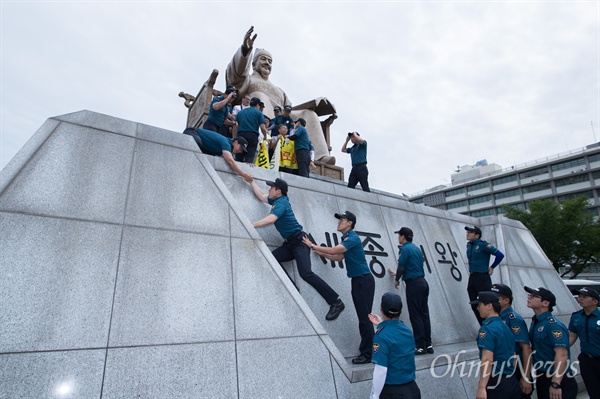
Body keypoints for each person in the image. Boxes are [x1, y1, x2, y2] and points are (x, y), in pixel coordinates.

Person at [226, 26, 333, 163]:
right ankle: (267, 143)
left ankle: (320, 156)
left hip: (281, 119)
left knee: (309, 114)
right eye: (263, 59)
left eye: (270, 61)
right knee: (260, 97)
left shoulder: (279, 90)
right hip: (261, 126)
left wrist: (313, 105)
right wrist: (245, 52)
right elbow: (235, 78)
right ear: (253, 64)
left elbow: (290, 110)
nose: (267, 63)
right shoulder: (249, 80)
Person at [247, 177, 345, 321]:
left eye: (271, 187)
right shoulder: (276, 201)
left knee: (306, 273)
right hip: (290, 243)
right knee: (272, 259)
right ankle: (293, 289)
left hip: (300, 241)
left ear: (278, 191)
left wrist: (252, 225)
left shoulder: (282, 202)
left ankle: (336, 302)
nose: (269, 189)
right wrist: (251, 182)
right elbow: (262, 196)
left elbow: (271, 219)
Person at [302, 211, 375, 364]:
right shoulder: (347, 239)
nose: (339, 222)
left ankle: (368, 354)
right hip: (358, 281)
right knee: (364, 317)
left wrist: (313, 245)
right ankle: (369, 352)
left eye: (342, 219)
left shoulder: (352, 238)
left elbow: (336, 250)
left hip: (363, 281)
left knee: (364, 318)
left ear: (350, 223)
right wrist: (318, 251)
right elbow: (338, 257)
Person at [525, 286, 577, 399]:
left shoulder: (553, 325)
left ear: (545, 303)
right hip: (542, 374)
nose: (529, 298)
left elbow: (562, 354)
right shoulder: (536, 321)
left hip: (557, 377)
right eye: (530, 295)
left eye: (534, 296)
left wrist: (555, 383)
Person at [367, 292, 421, 399]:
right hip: (412, 389)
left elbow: (381, 370)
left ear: (381, 308)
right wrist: (381, 324)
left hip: (392, 391)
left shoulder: (381, 336)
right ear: (401, 311)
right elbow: (395, 335)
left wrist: (374, 395)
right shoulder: (407, 330)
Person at [470, 291, 521, 399]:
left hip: (496, 382)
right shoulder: (505, 327)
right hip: (511, 380)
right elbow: (514, 354)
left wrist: (482, 387)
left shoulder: (487, 329)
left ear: (489, 306)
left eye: (479, 305)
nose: (477, 308)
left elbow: (487, 359)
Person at [391, 227, 432, 356]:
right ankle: (428, 344)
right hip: (423, 282)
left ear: (403, 236)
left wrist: (397, 279)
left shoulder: (405, 249)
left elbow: (402, 265)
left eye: (399, 235)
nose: (398, 238)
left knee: (415, 314)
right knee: (424, 314)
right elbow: (414, 265)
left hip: (413, 284)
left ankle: (420, 346)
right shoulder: (417, 249)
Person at [491, 283, 533, 398]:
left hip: (516, 368)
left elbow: (526, 348)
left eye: (496, 297)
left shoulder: (513, 319)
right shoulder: (497, 317)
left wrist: (526, 377)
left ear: (506, 300)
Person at [465, 226, 505, 325]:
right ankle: (483, 326)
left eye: (471, 232)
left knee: (486, 303)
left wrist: (492, 267)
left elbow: (500, 255)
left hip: (482, 277)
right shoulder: (469, 245)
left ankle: (494, 325)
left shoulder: (483, 245)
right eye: (468, 232)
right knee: (475, 304)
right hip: (473, 276)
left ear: (477, 235)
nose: (468, 233)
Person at [183, 127, 251, 181]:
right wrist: (243, 174)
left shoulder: (227, 148)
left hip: (203, 146)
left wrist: (245, 165)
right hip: (192, 132)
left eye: (242, 150)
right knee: (197, 144)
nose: (240, 151)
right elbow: (230, 161)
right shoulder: (226, 143)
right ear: (235, 142)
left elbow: (232, 161)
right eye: (240, 148)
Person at [569, 287, 600, 398]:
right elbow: (572, 336)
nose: (580, 299)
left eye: (584, 297)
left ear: (595, 301)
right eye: (579, 296)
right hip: (586, 359)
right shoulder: (576, 316)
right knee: (593, 391)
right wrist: (561, 349)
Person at [235, 97, 268, 163]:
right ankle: (246, 171)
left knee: (239, 155)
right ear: (257, 105)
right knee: (249, 156)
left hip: (241, 134)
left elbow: (235, 125)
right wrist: (265, 136)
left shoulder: (241, 112)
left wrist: (235, 136)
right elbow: (262, 128)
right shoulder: (259, 113)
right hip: (252, 135)